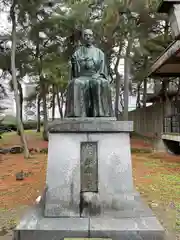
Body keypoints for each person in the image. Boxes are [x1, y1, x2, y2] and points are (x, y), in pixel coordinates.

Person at [65, 29, 114, 117]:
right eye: (85, 35)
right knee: (76, 83)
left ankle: (100, 113)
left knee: (100, 83)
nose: (88, 37)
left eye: (90, 35)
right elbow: (75, 73)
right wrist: (73, 63)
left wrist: (99, 74)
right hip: (82, 77)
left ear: (93, 37)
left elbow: (103, 70)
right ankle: (78, 114)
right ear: (83, 38)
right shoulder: (77, 53)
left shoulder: (99, 53)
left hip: (95, 76)